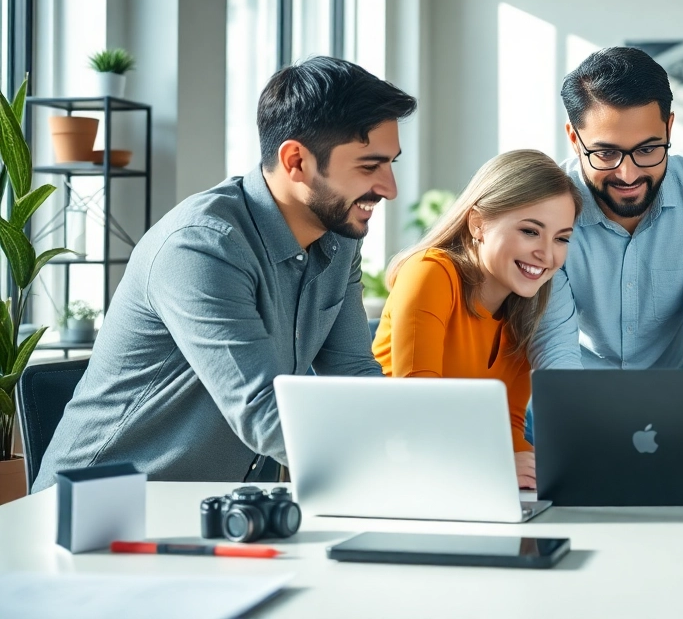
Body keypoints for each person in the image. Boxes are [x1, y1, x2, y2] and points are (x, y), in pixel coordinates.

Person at [34, 57, 416, 491]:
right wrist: (412, 460)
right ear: (296, 161)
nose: (389, 188)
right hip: (98, 511)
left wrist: (426, 451)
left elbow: (352, 375)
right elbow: (265, 415)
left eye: (391, 164)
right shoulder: (202, 246)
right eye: (369, 166)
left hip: (215, 506)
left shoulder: (340, 237)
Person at [529, 46, 683, 371]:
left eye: (647, 149)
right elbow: (554, 348)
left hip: (679, 397)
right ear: (574, 140)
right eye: (605, 154)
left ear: (669, 129)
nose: (628, 175)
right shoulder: (544, 208)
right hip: (578, 393)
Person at [374, 150, 580, 489]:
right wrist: (496, 464)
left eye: (561, 238)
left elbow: (509, 427)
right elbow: (418, 408)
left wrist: (544, 472)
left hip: (459, 479)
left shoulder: (523, 311)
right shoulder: (430, 273)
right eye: (530, 231)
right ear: (477, 223)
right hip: (393, 472)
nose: (547, 253)